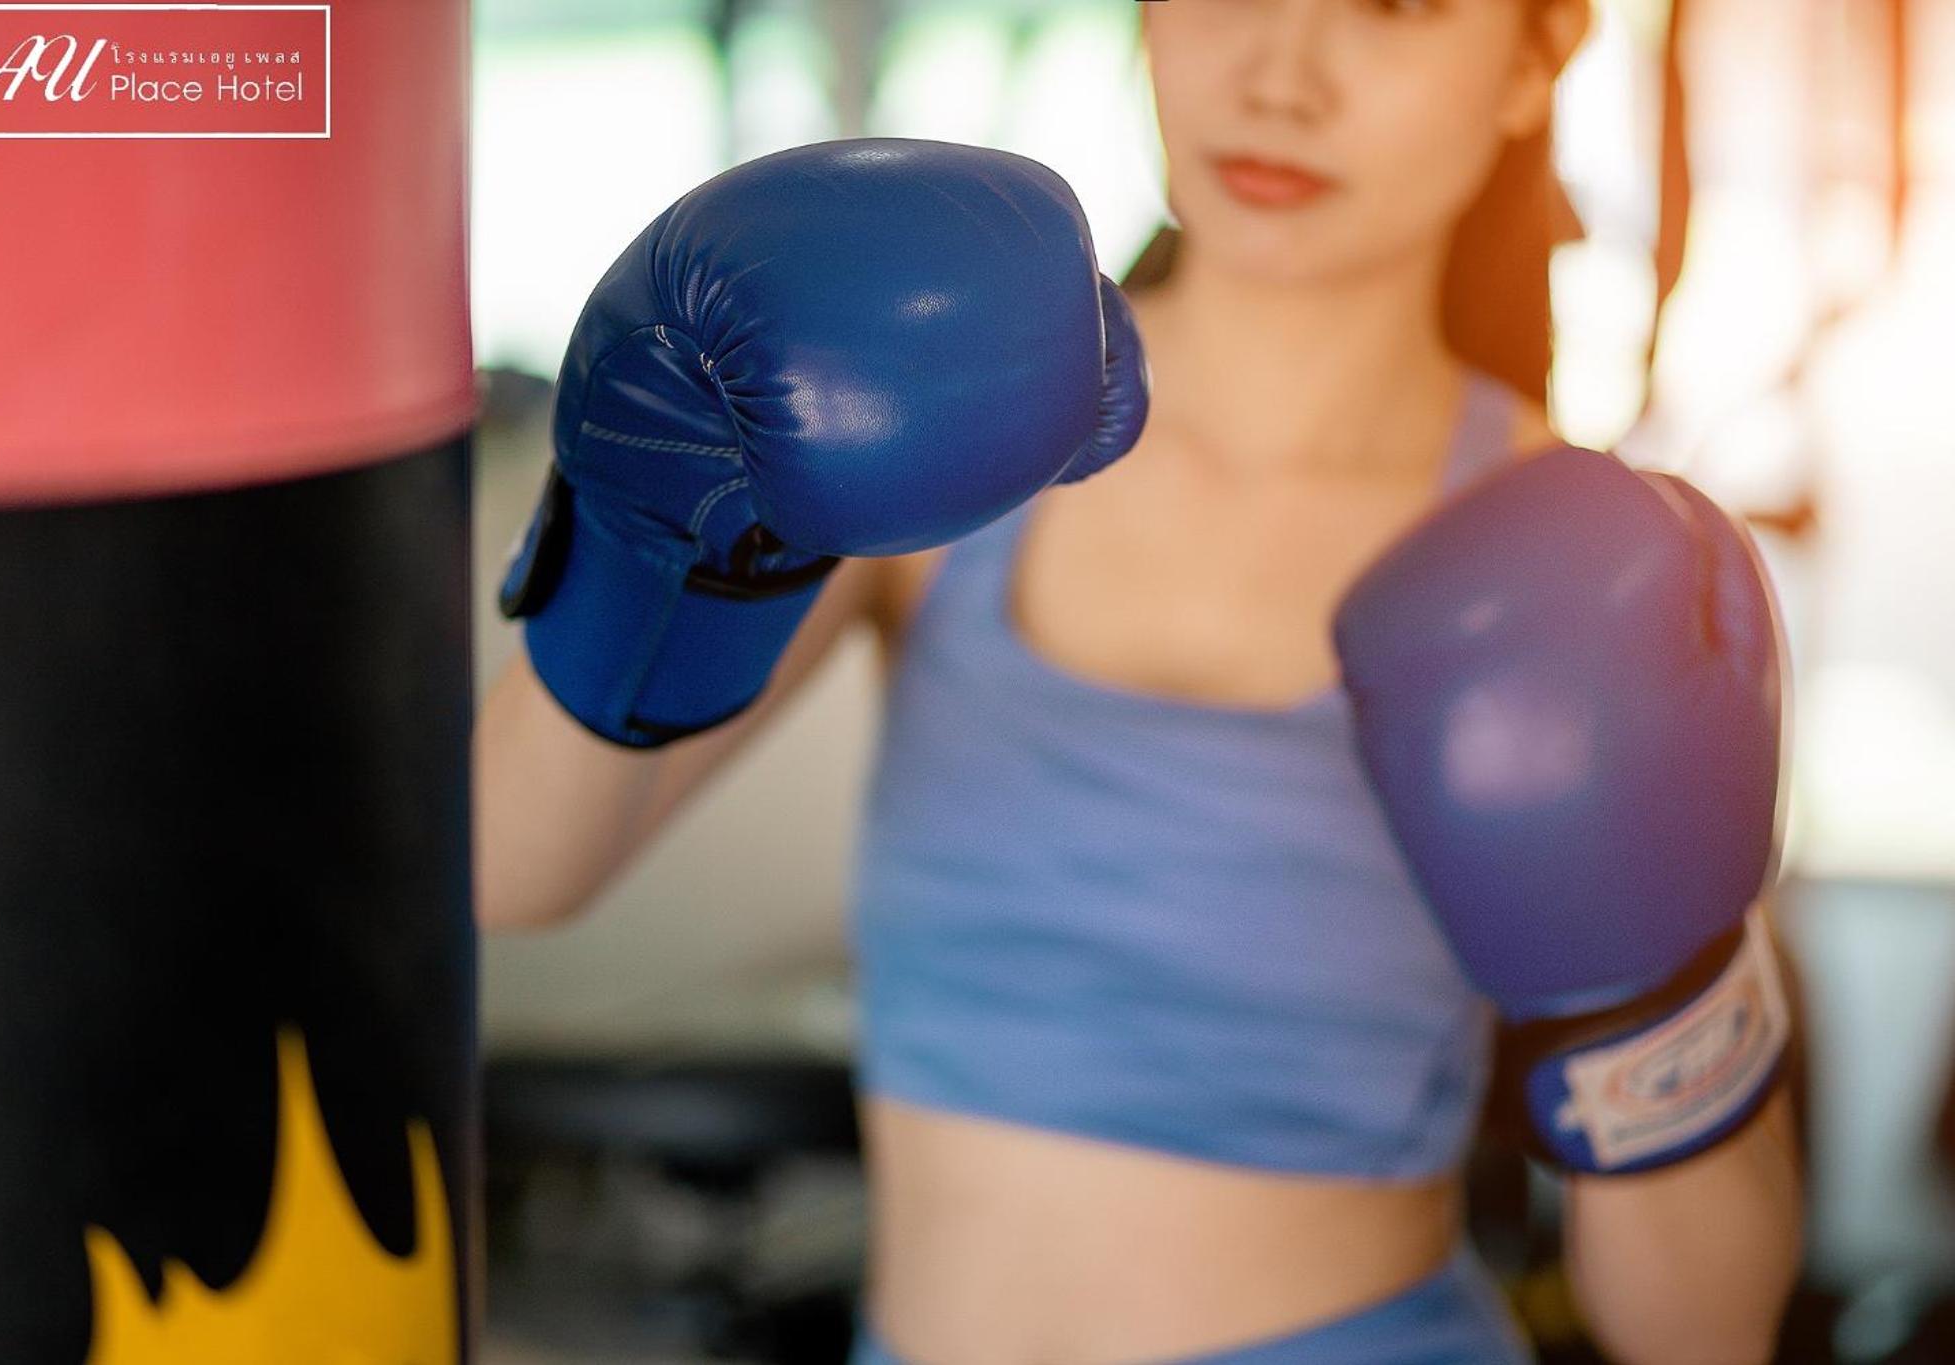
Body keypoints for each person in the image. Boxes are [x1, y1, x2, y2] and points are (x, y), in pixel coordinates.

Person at [478, 2, 1804, 1361]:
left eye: (1391, 4)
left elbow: (1704, 1335)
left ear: (1533, 60)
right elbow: (511, 872)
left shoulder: (1585, 565)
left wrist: (1656, 980)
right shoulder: (951, 442)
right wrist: (643, 507)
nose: (1279, 75)